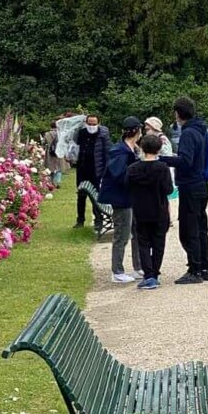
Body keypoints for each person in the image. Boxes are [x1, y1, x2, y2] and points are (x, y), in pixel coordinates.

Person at [160, 97, 208, 284]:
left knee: (189, 229)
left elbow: (185, 161)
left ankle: (194, 269)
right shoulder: (202, 130)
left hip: (190, 185)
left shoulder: (188, 133)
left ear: (178, 113)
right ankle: (205, 267)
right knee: (201, 228)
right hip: (201, 184)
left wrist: (163, 159)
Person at [98, 116, 143, 283]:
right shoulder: (120, 151)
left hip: (130, 197)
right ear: (137, 131)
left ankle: (138, 267)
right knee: (122, 234)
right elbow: (119, 175)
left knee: (136, 231)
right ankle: (117, 270)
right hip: (121, 198)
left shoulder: (131, 150)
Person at [125, 135, 173, 290]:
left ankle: (149, 274)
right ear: (159, 149)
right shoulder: (163, 168)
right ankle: (155, 273)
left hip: (141, 210)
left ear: (142, 148)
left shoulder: (132, 169)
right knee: (159, 243)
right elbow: (168, 190)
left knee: (143, 243)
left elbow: (127, 187)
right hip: (159, 210)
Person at [72, 114, 112, 230]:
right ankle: (80, 219)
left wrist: (106, 170)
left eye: (94, 124)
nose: (92, 126)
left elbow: (107, 153)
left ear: (98, 124)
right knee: (81, 195)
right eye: (89, 124)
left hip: (97, 170)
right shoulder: (82, 133)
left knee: (96, 196)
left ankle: (98, 219)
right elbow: (75, 147)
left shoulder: (103, 135)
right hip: (82, 168)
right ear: (86, 123)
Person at [144, 116, 178, 200]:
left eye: (148, 130)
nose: (146, 132)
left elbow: (166, 156)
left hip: (164, 172)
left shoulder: (162, 139)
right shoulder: (158, 139)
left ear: (154, 128)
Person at [43, 121, 64, 188]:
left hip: (50, 152)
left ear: (50, 126)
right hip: (59, 151)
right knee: (59, 167)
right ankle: (58, 182)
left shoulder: (47, 134)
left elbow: (43, 142)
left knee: (50, 167)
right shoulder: (60, 133)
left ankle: (52, 182)